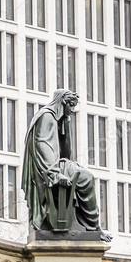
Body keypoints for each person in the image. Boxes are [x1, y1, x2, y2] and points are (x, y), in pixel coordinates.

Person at [21, 89, 110, 238]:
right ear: (63, 102)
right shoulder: (47, 116)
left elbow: (66, 153)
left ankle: (92, 227)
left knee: (84, 174)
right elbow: (42, 144)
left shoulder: (58, 119)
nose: (73, 110)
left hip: (57, 164)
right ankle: (92, 227)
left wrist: (65, 124)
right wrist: (55, 174)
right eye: (71, 106)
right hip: (48, 169)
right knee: (86, 177)